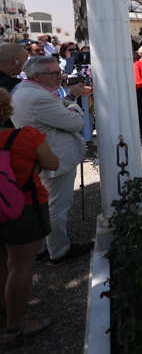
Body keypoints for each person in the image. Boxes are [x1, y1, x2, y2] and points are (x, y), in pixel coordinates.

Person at [11, 57, 90, 266]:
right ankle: (59, 250)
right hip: (55, 156)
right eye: (54, 74)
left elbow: (57, 106)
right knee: (58, 206)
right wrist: (73, 105)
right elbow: (75, 123)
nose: (60, 77)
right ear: (36, 76)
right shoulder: (37, 97)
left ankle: (47, 245)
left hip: (45, 153)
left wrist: (65, 104)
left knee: (49, 203)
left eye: (59, 72)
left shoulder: (26, 89)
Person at [0, 88, 59, 348]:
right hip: (22, 208)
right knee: (20, 267)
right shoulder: (24, 137)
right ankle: (15, 327)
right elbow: (53, 163)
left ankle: (6, 313)